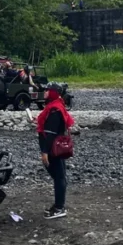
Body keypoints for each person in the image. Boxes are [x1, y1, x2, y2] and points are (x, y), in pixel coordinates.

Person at [37, 83, 74, 220]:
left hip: (53, 149)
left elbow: (50, 133)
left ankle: (59, 207)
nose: (45, 91)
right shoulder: (56, 106)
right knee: (60, 176)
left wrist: (44, 152)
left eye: (47, 90)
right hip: (55, 147)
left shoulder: (54, 109)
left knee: (59, 177)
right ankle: (59, 205)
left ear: (52, 92)